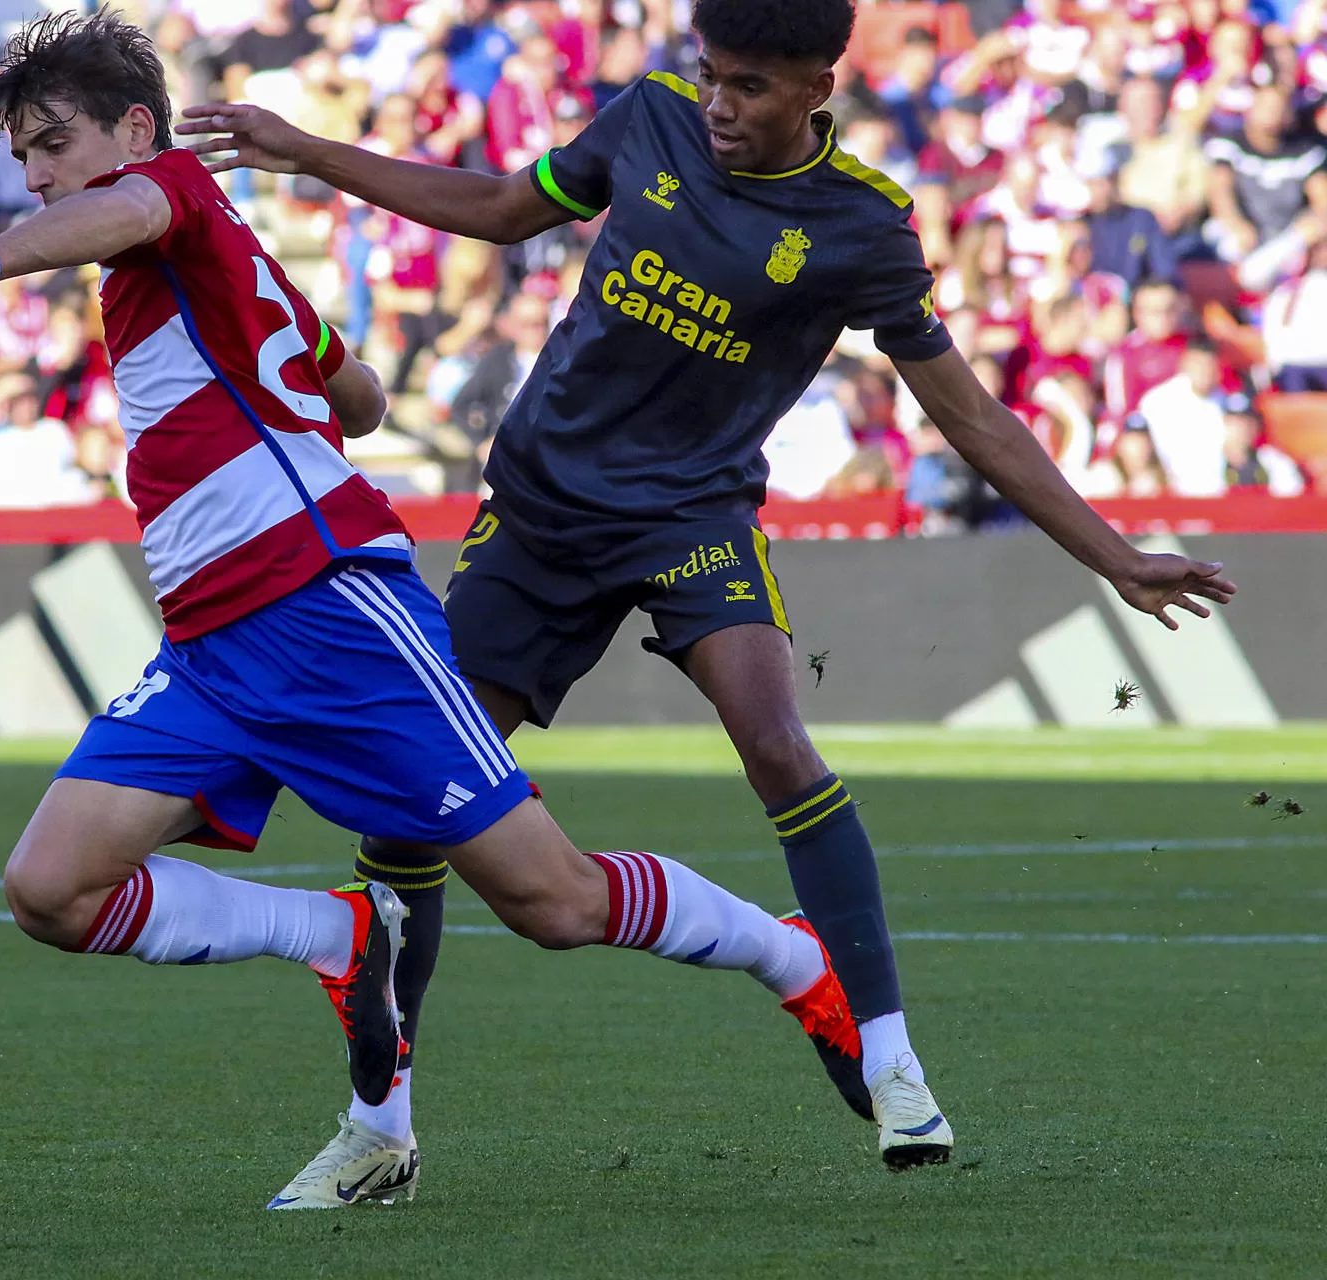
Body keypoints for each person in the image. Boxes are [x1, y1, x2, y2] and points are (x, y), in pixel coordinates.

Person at [0, 9, 870, 1213]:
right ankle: (335, 936)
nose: (42, 172)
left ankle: (798, 960)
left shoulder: (163, 196)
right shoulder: (224, 260)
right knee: (51, 888)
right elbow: (359, 393)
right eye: (24, 161)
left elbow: (126, 211)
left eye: (55, 143)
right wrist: (312, 374)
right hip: (214, 643)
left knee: (556, 902)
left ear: (140, 129)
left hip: (329, 607)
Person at [182, 0, 1238, 1180]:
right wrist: (304, 147)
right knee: (405, 808)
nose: (720, 106)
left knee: (779, 742)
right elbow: (495, 209)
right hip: (536, 516)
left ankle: (890, 1060)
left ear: (815, 89)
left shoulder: (865, 226)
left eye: (747, 86)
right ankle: (381, 1130)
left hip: (691, 518)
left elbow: (970, 416)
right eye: (710, 77)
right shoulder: (648, 122)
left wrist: (1115, 553)